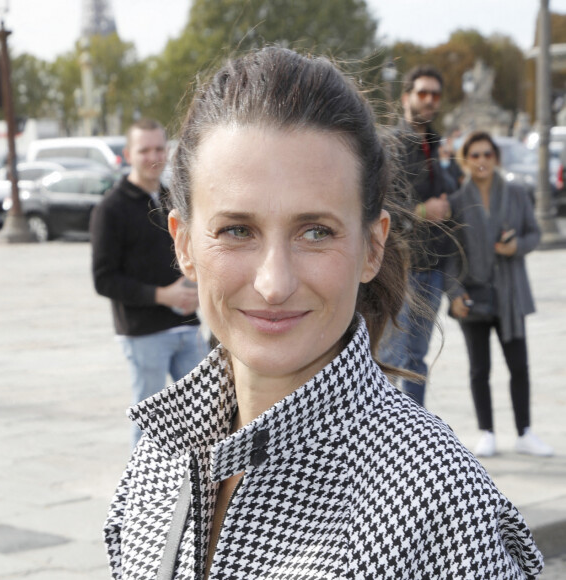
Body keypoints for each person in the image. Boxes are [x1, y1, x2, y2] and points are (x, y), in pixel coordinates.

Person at [103, 49, 543, 579]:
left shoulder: (437, 504)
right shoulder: (159, 453)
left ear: (373, 247)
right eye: (237, 230)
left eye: (315, 232)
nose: (274, 283)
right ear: (184, 245)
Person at [90, 118, 209, 448]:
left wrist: (197, 290)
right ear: (129, 154)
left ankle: (194, 491)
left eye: (159, 148)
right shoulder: (110, 209)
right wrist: (162, 295)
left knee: (204, 417)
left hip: (187, 325)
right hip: (143, 332)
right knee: (151, 426)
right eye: (144, 150)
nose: (153, 156)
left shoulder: (175, 197)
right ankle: (141, 497)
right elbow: (104, 280)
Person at [446, 131, 553, 458]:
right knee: (480, 369)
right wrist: (453, 293)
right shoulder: (457, 201)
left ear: (496, 158)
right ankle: (487, 431)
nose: (481, 161)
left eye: (487, 154)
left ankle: (524, 432)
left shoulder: (517, 194)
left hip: (510, 293)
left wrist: (515, 246)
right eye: (475, 155)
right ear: (466, 159)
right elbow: (449, 255)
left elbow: (533, 234)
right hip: (474, 295)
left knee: (518, 365)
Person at [379, 65, 456, 407]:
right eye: (422, 93)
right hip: (401, 266)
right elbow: (383, 203)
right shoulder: (390, 145)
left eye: (435, 95)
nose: (429, 100)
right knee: (390, 358)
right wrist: (423, 212)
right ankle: (380, 443)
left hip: (434, 266)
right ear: (406, 97)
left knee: (418, 360)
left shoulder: (437, 145)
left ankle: (414, 439)